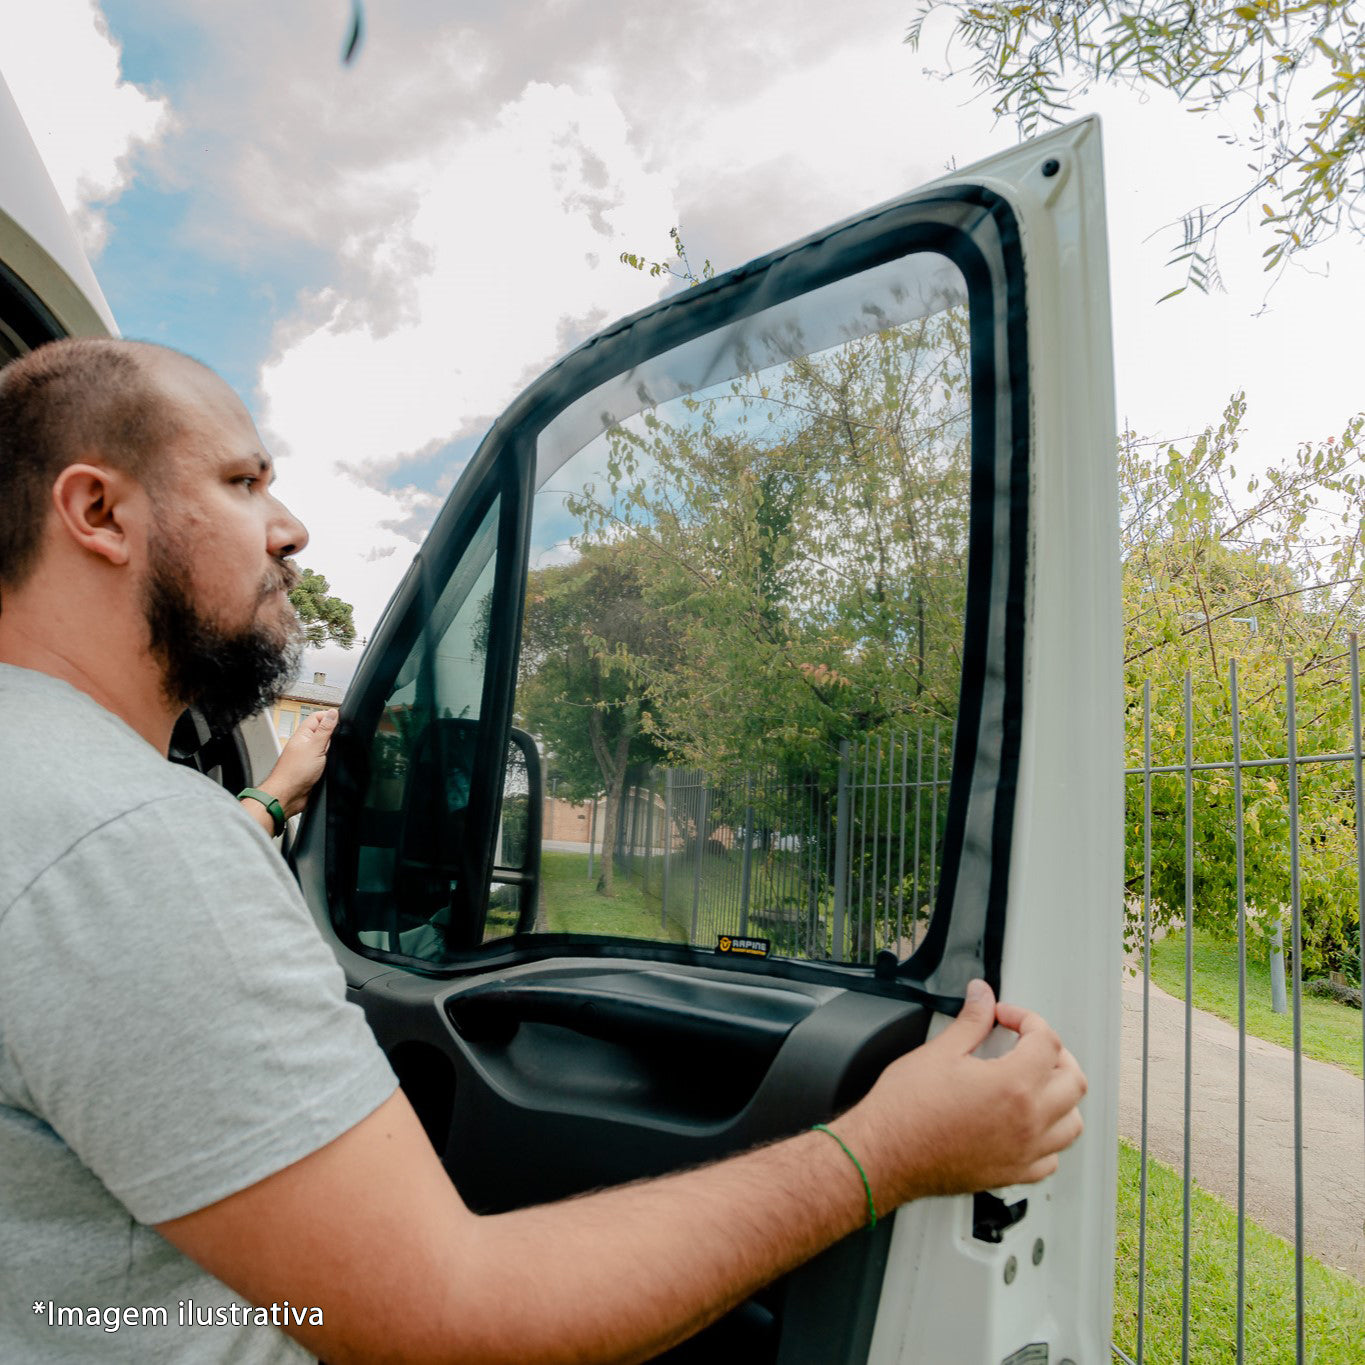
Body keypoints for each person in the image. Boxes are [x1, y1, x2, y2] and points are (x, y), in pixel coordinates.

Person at [0, 337, 1087, 1364]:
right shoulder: (134, 843)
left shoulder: (55, 804)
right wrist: (884, 1151)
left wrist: (270, 802)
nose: (288, 528)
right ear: (98, 511)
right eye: (244, 483)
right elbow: (450, 1319)